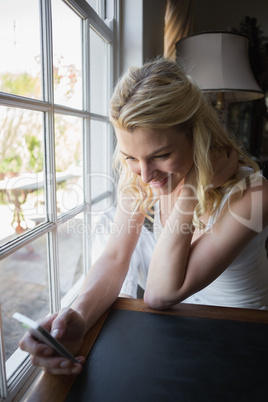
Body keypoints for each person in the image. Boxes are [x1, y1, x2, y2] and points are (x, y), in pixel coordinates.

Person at [20, 57, 268, 375]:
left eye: (161, 155)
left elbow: (160, 293)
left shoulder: (254, 193)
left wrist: (193, 184)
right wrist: (78, 318)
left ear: (198, 136)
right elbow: (115, 258)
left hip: (242, 341)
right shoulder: (140, 177)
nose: (146, 174)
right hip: (176, 338)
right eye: (130, 157)